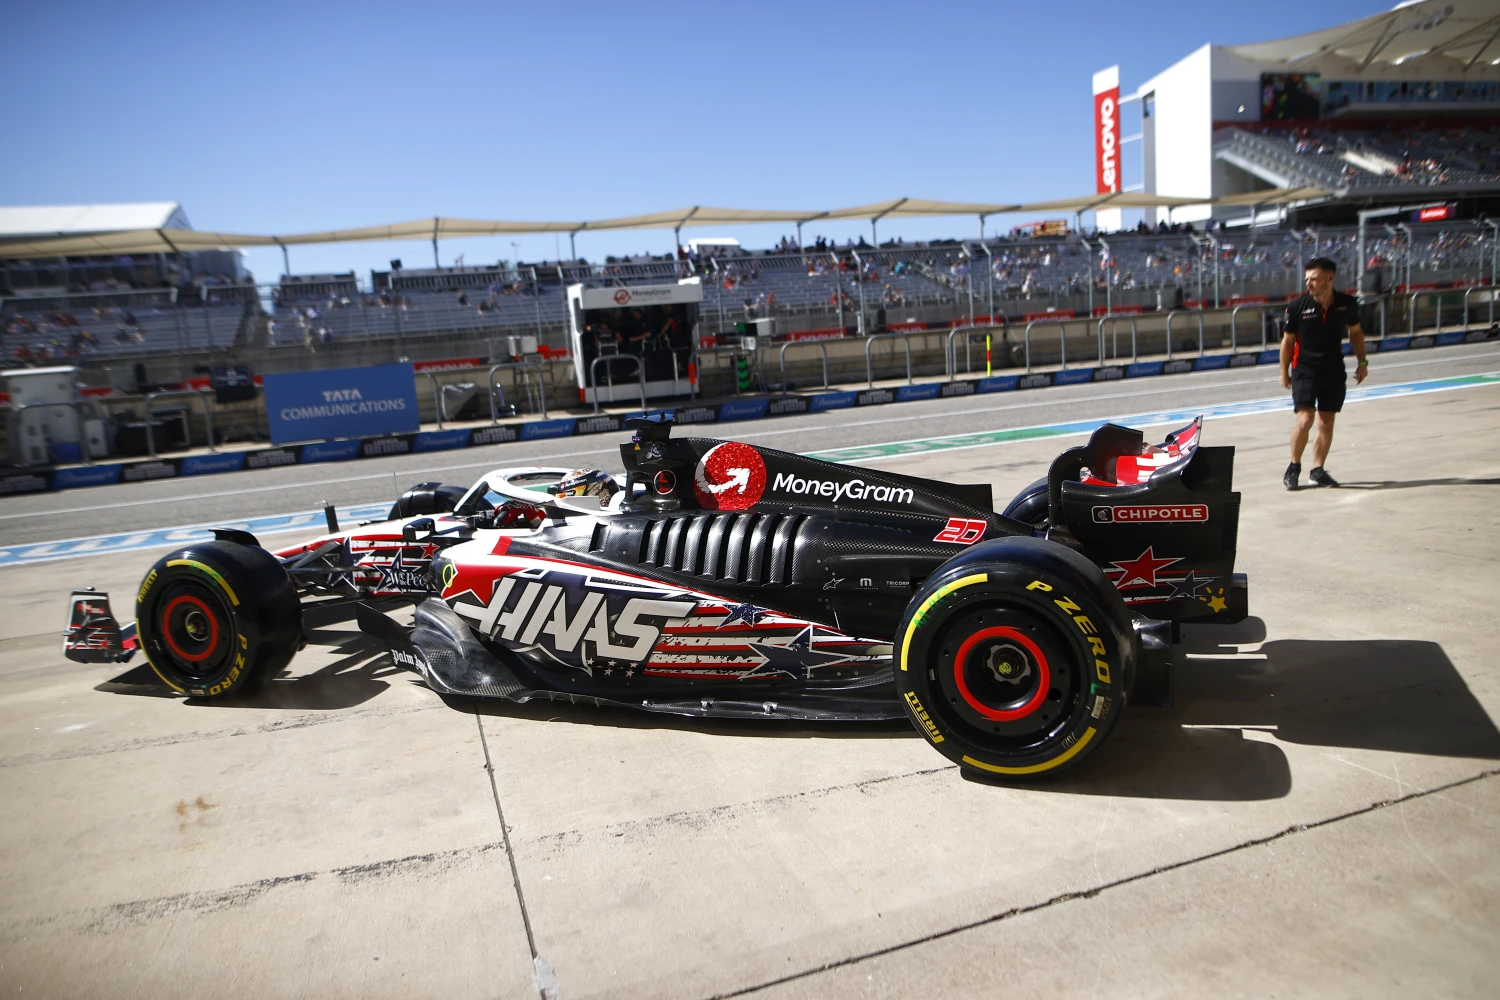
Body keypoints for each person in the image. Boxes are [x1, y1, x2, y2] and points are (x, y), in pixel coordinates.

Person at [1279, 257, 1367, 490]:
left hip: (1333, 369)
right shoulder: (1297, 307)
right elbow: (1287, 342)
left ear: (1330, 278)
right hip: (1304, 369)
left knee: (1327, 421)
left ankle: (1317, 470)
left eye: (1314, 279)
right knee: (1305, 419)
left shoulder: (1347, 304)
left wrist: (1363, 362)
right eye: (1307, 279)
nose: (1309, 283)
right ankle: (1294, 466)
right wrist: (1283, 372)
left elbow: (1356, 333)